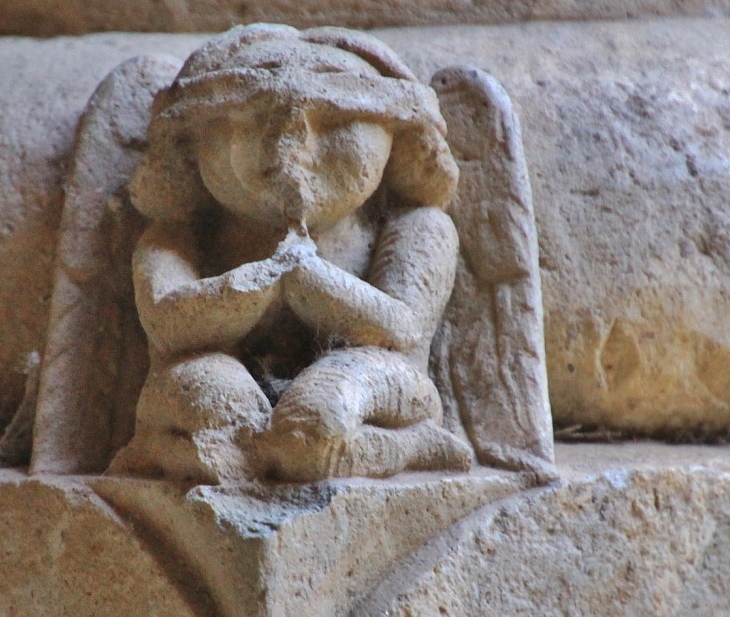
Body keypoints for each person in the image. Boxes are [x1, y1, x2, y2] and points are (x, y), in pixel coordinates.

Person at [109, 24, 472, 483]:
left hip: (377, 377)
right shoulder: (177, 236)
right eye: (248, 119)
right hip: (208, 368)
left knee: (317, 419)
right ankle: (170, 447)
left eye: (337, 119)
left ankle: (407, 444)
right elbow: (166, 321)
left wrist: (313, 282)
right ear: (189, 146)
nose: (290, 145)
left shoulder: (419, 227)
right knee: (221, 409)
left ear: (399, 137)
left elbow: (402, 327)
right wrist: (250, 288)